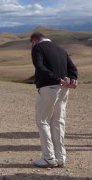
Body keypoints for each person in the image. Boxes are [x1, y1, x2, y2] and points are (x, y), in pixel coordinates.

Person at [30, 32, 78, 168]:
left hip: (48, 87)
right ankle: (60, 157)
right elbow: (72, 68)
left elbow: (39, 66)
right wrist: (73, 79)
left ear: (34, 41)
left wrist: (56, 79)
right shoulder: (60, 49)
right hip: (63, 89)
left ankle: (48, 157)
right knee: (58, 121)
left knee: (42, 120)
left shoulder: (38, 48)